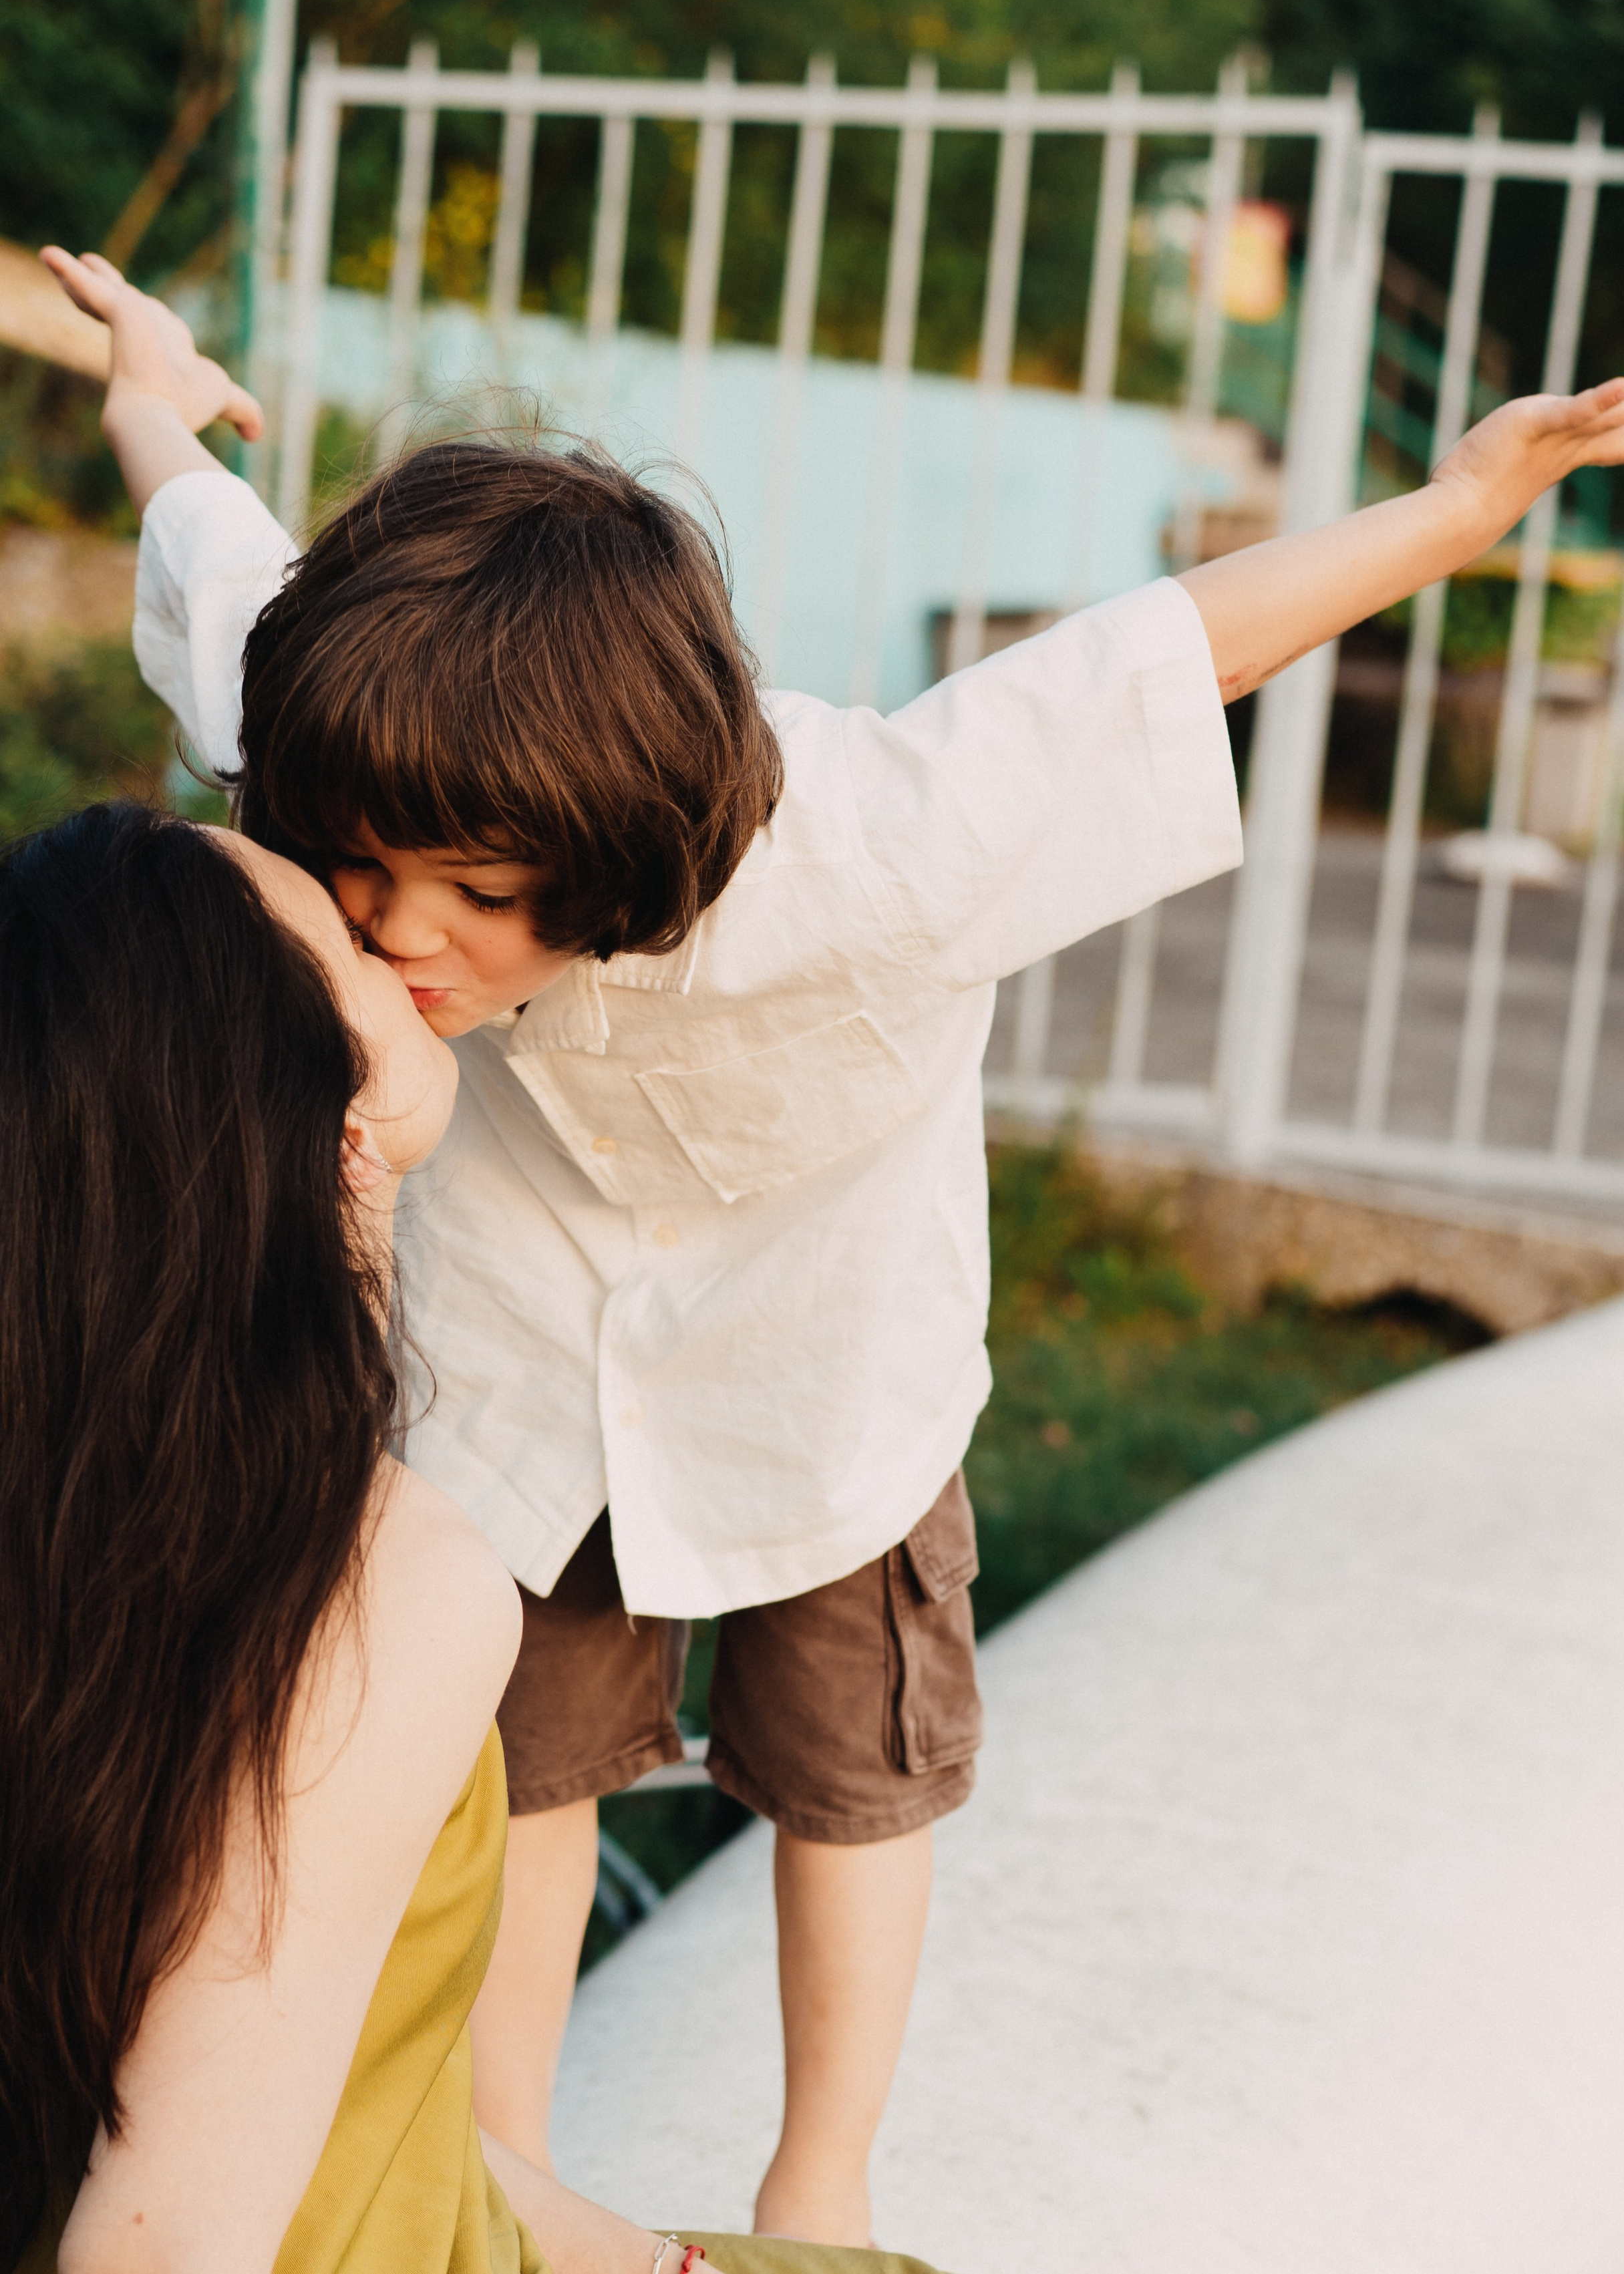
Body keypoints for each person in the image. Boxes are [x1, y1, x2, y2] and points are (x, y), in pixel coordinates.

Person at [39, 245, 1624, 2245]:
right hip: (520, 1351)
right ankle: (519, 2159)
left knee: (849, 1771)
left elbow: (1168, 657)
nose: (392, 937)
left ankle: (818, 2174)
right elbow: (212, 551)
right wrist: (151, 379)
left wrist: (1460, 508)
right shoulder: (357, 738)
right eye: (358, 874)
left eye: (468, 895)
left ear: (615, 851)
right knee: (520, 1755)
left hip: (826, 1352)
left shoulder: (879, 840)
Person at [0, 798, 943, 2274]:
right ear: (326, 1114)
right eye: (345, 941)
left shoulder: (79, 1513)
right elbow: (165, 2244)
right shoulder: (376, 1576)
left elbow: (379, 2089)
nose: (391, 937)